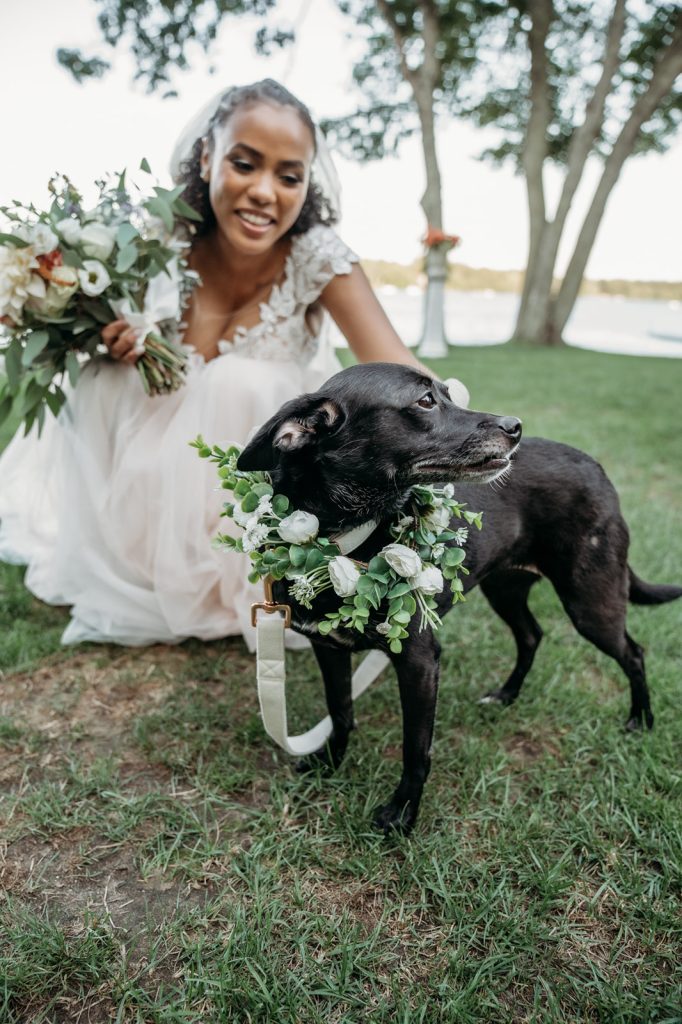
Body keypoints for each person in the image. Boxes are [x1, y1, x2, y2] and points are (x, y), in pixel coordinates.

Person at [0, 79, 469, 651]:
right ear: (206, 157)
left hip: (268, 461)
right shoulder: (158, 239)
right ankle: (148, 570)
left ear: (307, 183)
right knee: (101, 377)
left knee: (240, 380)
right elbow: (115, 334)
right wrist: (117, 340)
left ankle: (254, 577)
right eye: (245, 165)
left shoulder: (317, 255)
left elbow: (400, 368)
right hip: (152, 454)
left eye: (289, 176)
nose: (264, 192)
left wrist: (463, 427)